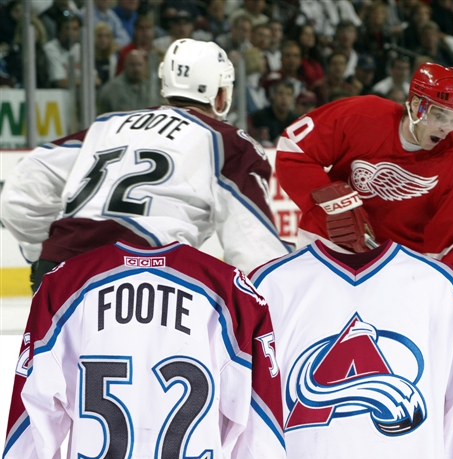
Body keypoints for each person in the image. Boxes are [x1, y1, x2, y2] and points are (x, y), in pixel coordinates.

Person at [1, 39, 291, 291]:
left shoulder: (107, 125)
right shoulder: (227, 141)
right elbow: (255, 247)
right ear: (221, 95)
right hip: (146, 277)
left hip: (61, 268)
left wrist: (44, 249)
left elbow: (20, 192)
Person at [275, 62, 453, 280]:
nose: (447, 128)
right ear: (417, 105)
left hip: (399, 270)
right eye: (440, 116)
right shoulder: (363, 115)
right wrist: (331, 208)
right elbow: (294, 149)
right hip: (328, 249)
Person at [96, 49, 156, 115]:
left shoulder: (148, 87)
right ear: (125, 66)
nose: (136, 69)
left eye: (139, 65)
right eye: (132, 65)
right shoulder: (113, 88)